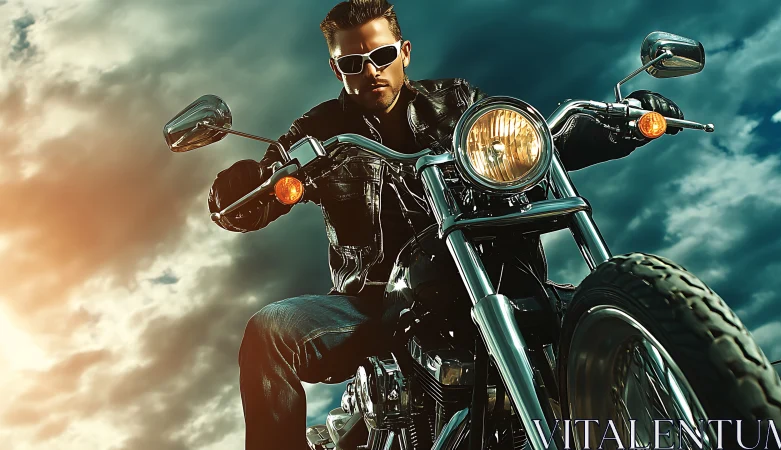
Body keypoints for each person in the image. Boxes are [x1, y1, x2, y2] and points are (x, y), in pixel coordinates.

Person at [207, 1, 685, 448]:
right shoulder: (319, 131)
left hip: (491, 274)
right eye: (352, 63)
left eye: (381, 54)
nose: (370, 70)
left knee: (617, 308)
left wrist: (620, 123)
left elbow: (532, 140)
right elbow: (269, 180)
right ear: (336, 69)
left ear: (404, 53)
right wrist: (241, 187)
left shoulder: (455, 101)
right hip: (375, 299)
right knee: (268, 330)